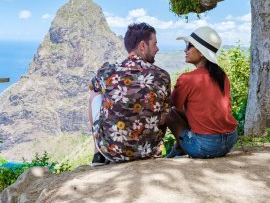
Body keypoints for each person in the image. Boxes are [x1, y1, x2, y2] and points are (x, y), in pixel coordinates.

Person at [88, 22, 171, 166]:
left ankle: (97, 154)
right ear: (143, 46)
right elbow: (164, 117)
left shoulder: (107, 71)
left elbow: (93, 87)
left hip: (113, 153)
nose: (157, 49)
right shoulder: (162, 75)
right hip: (149, 151)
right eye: (155, 44)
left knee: (94, 93)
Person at [165, 26, 238, 158]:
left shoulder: (187, 79)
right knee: (180, 111)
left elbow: (171, 104)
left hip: (206, 147)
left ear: (202, 52)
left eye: (189, 46)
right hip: (230, 141)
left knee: (169, 113)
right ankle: (178, 147)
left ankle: (180, 147)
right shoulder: (221, 75)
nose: (185, 50)